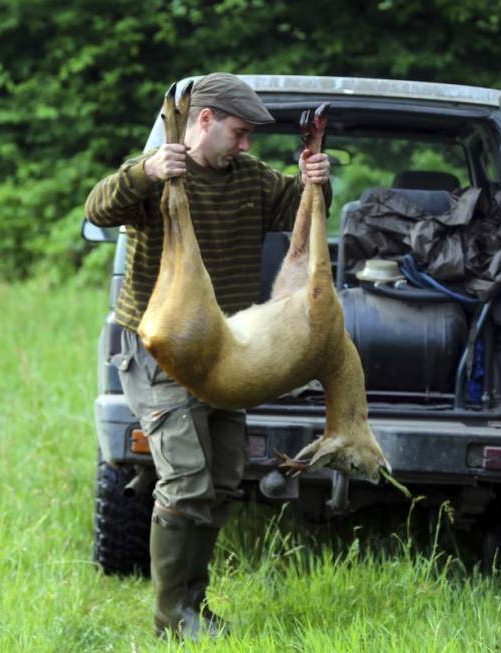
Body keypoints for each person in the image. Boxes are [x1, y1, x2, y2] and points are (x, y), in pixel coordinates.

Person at [84, 72, 330, 639]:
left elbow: (299, 210)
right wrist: (146, 171)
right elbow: (97, 209)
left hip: (224, 349)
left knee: (221, 480)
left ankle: (194, 605)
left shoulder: (249, 179)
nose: (245, 144)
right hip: (161, 348)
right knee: (187, 481)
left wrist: (315, 181)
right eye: (239, 133)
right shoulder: (156, 173)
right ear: (204, 120)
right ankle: (171, 619)